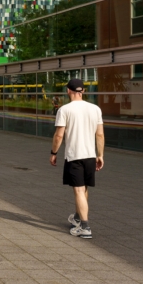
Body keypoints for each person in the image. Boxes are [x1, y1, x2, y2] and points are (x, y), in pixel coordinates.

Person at [49, 78, 104, 239]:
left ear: (68, 91)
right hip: (90, 155)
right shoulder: (95, 109)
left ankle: (85, 227)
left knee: (78, 190)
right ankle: (78, 218)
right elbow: (99, 134)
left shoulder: (64, 110)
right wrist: (100, 155)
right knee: (84, 189)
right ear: (83, 91)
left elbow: (59, 135)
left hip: (74, 156)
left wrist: (53, 153)